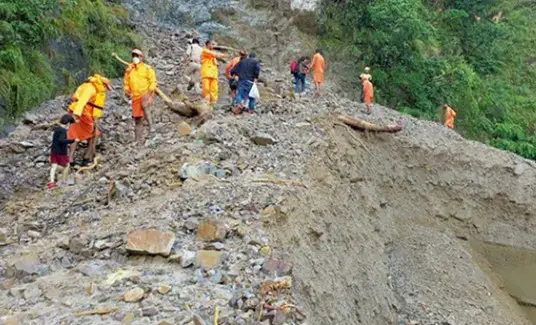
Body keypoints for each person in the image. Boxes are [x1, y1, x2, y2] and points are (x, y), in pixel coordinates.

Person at [67, 73, 112, 165]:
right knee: (94, 133)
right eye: (105, 87)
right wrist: (76, 115)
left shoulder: (87, 86)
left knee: (74, 134)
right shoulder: (90, 89)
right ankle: (88, 157)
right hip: (82, 113)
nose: (105, 89)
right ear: (102, 84)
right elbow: (82, 102)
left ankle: (70, 159)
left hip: (77, 112)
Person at [123, 49, 157, 145]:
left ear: (141, 57)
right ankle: (137, 141)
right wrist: (126, 91)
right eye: (134, 56)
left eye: (137, 56)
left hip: (146, 93)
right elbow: (126, 82)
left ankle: (152, 128)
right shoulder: (129, 70)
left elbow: (153, 81)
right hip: (135, 96)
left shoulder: (147, 68)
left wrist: (149, 92)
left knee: (145, 105)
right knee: (138, 119)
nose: (135, 58)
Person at [49, 114, 78, 189]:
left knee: (54, 166)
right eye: (70, 124)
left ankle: (51, 182)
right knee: (67, 165)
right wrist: (73, 140)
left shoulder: (57, 129)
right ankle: (63, 181)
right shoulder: (63, 131)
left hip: (54, 151)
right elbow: (62, 140)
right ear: (68, 123)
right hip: (61, 152)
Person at [200, 40, 228, 105]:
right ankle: (206, 102)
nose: (213, 46)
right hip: (206, 72)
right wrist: (224, 55)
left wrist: (224, 55)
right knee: (206, 88)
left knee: (214, 88)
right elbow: (215, 55)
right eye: (212, 44)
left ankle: (213, 102)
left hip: (213, 73)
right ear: (207, 45)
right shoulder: (205, 51)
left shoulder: (212, 53)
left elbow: (220, 59)